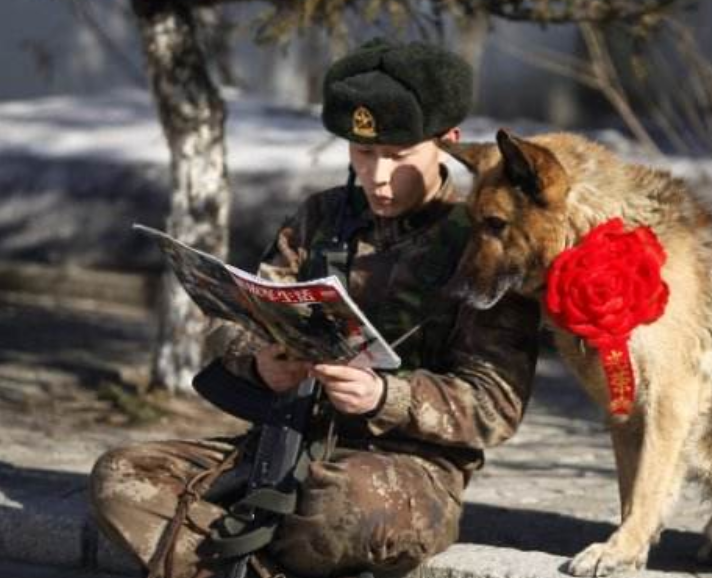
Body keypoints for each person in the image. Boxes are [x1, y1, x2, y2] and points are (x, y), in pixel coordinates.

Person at [89, 39, 543, 578]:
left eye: (398, 155)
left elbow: (495, 405)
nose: (376, 175)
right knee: (122, 478)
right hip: (282, 442)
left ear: (448, 143)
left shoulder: (484, 243)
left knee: (343, 511)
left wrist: (383, 396)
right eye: (362, 152)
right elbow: (231, 321)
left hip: (406, 467)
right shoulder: (321, 218)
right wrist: (260, 360)